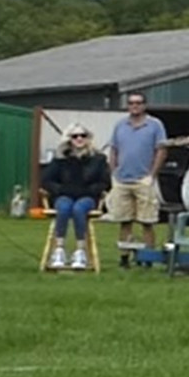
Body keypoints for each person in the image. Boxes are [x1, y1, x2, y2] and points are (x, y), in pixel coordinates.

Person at [105, 90, 169, 256]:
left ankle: (148, 257)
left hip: (144, 180)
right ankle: (124, 257)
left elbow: (161, 150)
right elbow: (114, 149)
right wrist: (114, 172)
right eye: (131, 103)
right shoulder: (120, 125)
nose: (134, 106)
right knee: (124, 222)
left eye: (138, 103)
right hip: (122, 180)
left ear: (144, 105)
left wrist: (152, 175)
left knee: (147, 221)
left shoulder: (155, 125)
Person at [40, 124, 111, 270]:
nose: (79, 139)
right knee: (64, 207)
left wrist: (91, 190)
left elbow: (105, 182)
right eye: (75, 136)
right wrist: (59, 189)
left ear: (88, 138)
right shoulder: (61, 159)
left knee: (79, 209)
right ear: (69, 139)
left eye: (83, 135)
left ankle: (80, 251)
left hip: (87, 197)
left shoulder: (98, 159)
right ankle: (59, 250)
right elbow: (46, 180)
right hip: (64, 195)